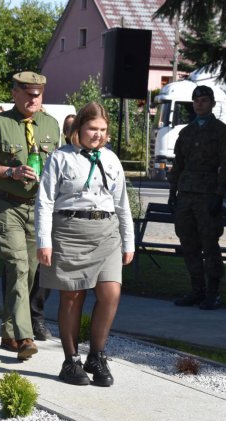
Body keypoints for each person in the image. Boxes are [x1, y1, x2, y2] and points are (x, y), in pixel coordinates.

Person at [36, 101, 134, 386]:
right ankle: (71, 360)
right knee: (72, 297)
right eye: (92, 128)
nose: (97, 135)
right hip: (69, 231)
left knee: (111, 294)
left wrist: (129, 242)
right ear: (79, 128)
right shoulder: (61, 158)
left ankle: (97, 355)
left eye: (102, 130)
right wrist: (44, 241)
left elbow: (122, 204)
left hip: (107, 232)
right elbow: (44, 201)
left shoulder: (112, 159)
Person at [0, 71, 61, 360]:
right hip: (7, 205)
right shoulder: (0, 124)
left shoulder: (50, 125)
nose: (33, 99)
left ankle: (8, 333)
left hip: (38, 208)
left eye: (38, 95)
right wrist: (10, 171)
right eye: (28, 94)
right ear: (15, 93)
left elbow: (57, 165)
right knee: (18, 266)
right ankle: (25, 337)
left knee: (31, 272)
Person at [168, 85, 226, 310]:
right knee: (188, 244)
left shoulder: (221, 132)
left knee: (209, 245)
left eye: (204, 100)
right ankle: (196, 290)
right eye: (196, 101)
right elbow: (178, 164)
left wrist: (219, 194)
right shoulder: (186, 132)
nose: (200, 104)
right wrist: (172, 192)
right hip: (186, 195)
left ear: (212, 104)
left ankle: (213, 293)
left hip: (207, 195)